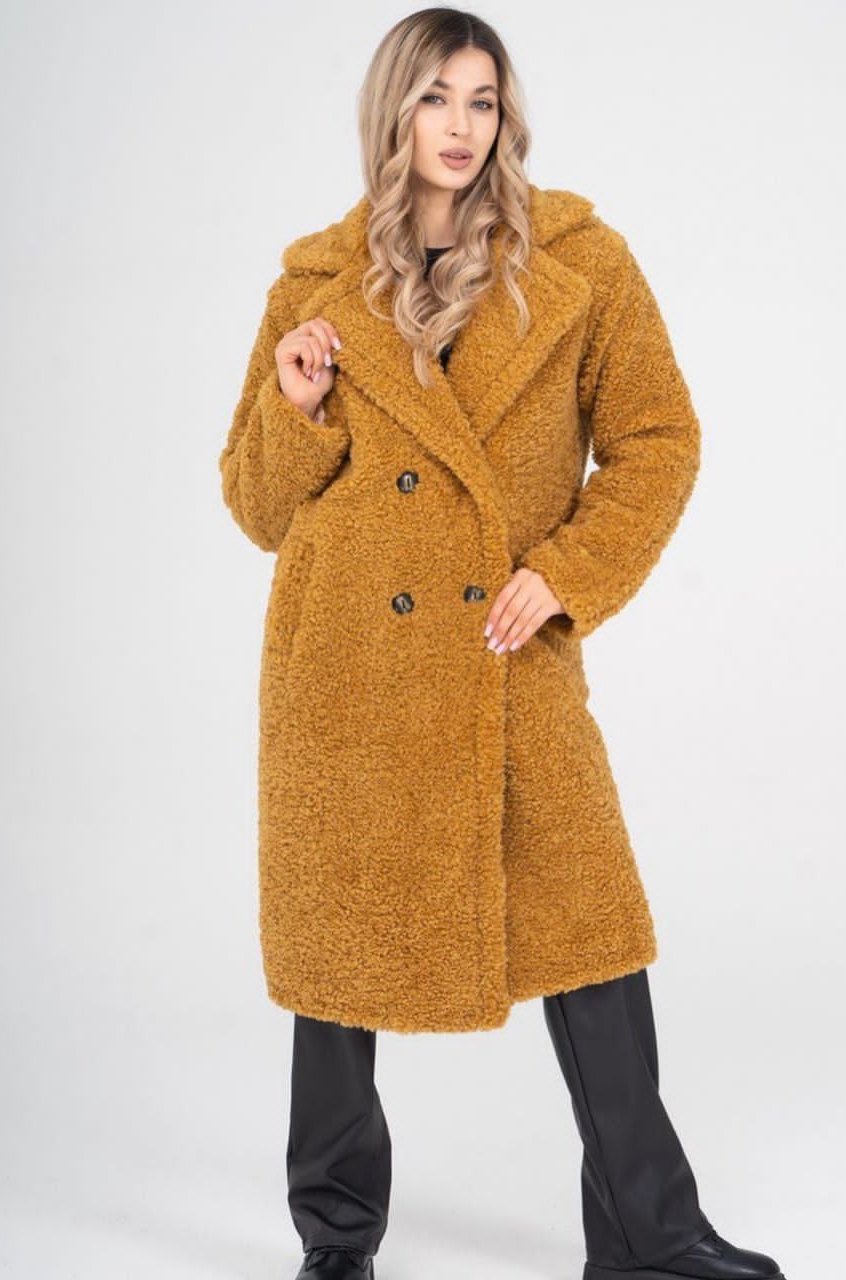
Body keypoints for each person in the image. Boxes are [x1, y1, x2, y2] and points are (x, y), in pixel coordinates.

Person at [218, 9, 787, 1280]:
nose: (462, 126)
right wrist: (295, 404)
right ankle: (336, 1239)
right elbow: (255, 505)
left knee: (593, 931)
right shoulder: (313, 286)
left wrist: (565, 573)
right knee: (338, 959)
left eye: (483, 100)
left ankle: (648, 1233)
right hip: (347, 668)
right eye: (436, 98)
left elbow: (658, 440)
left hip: (504, 653)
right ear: (394, 113)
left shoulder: (578, 263)